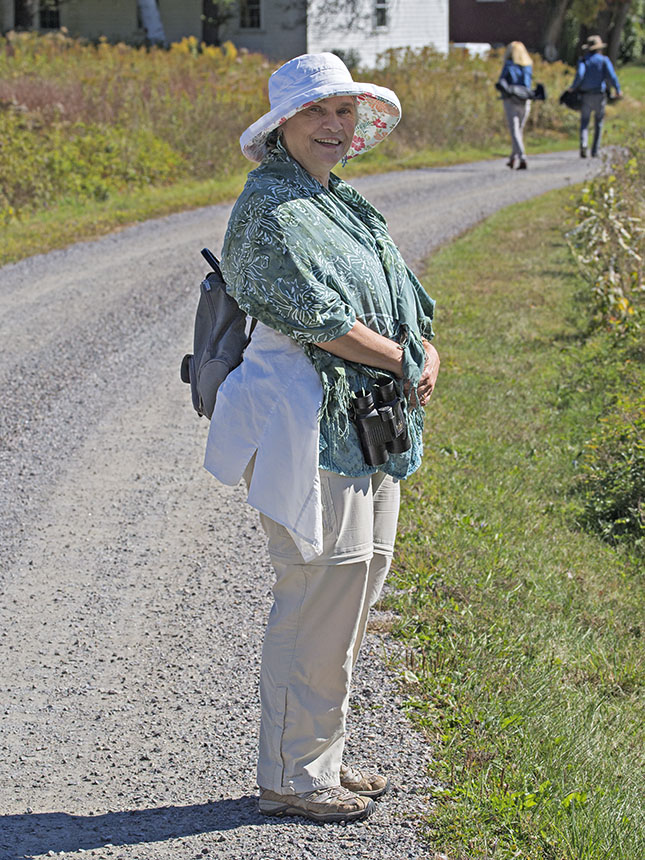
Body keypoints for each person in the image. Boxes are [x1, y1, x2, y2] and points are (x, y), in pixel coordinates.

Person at [203, 53, 439, 824]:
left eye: (344, 111)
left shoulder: (340, 200)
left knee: (359, 582)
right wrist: (403, 358)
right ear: (282, 128)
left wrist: (423, 346)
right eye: (316, 113)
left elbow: (399, 292)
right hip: (304, 425)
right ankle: (291, 775)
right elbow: (321, 319)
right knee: (316, 592)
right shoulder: (270, 210)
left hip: (365, 421)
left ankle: (321, 753)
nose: (334, 126)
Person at [570, 34, 621, 158]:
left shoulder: (584, 60)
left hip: (586, 95)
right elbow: (611, 76)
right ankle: (595, 150)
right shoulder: (604, 60)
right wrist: (618, 89)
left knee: (585, 122)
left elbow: (580, 75)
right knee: (598, 122)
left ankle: (583, 143)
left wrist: (573, 87)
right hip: (599, 94)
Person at [497, 41, 533, 170]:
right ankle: (513, 158)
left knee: (515, 130)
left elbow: (501, 81)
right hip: (525, 99)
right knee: (519, 130)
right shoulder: (528, 66)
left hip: (511, 99)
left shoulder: (509, 65)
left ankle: (522, 158)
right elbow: (528, 84)